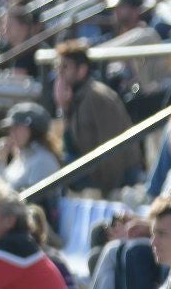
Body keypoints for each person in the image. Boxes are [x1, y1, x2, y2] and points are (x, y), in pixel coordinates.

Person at [53, 40, 139, 193]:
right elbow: (70, 146)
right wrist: (65, 108)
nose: (60, 73)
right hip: (95, 170)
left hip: (120, 177)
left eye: (65, 67)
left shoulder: (97, 97)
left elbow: (113, 150)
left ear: (82, 70)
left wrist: (106, 192)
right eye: (58, 67)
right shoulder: (75, 97)